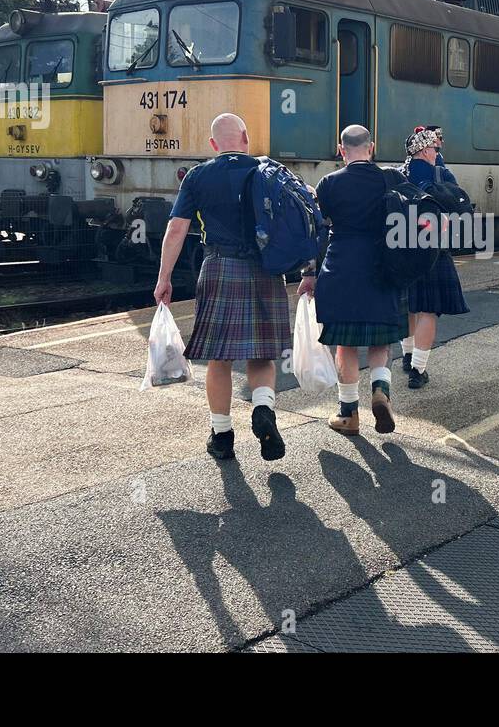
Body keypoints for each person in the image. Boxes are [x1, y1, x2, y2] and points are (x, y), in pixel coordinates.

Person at [154, 112, 290, 463]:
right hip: (265, 268)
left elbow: (177, 229)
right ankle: (263, 409)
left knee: (220, 358)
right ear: (245, 138)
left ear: (214, 145)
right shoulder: (268, 170)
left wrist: (164, 277)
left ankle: (223, 435)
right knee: (261, 355)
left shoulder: (199, 175)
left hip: (219, 267)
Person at [299, 125, 408, 435]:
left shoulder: (329, 184)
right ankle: (380, 389)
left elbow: (316, 231)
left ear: (341, 150)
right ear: (371, 148)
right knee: (381, 340)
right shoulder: (390, 178)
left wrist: (309, 274)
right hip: (382, 267)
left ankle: (348, 414)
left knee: (345, 345)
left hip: (341, 268)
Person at [397, 127, 468, 388]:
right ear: (427, 151)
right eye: (436, 150)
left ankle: (406, 356)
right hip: (432, 249)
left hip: (402, 247)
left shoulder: (398, 173)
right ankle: (418, 370)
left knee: (409, 304)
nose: (438, 153)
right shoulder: (439, 174)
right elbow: (456, 203)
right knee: (428, 309)